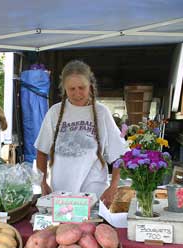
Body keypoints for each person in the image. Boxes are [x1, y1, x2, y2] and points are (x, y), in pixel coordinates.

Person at [34, 60, 128, 207]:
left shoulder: (101, 112)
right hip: (61, 196)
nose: (77, 94)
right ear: (64, 88)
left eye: (81, 87)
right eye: (72, 89)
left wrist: (113, 187)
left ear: (90, 85)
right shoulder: (54, 112)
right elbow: (41, 151)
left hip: (94, 196)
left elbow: (120, 156)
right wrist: (43, 182)